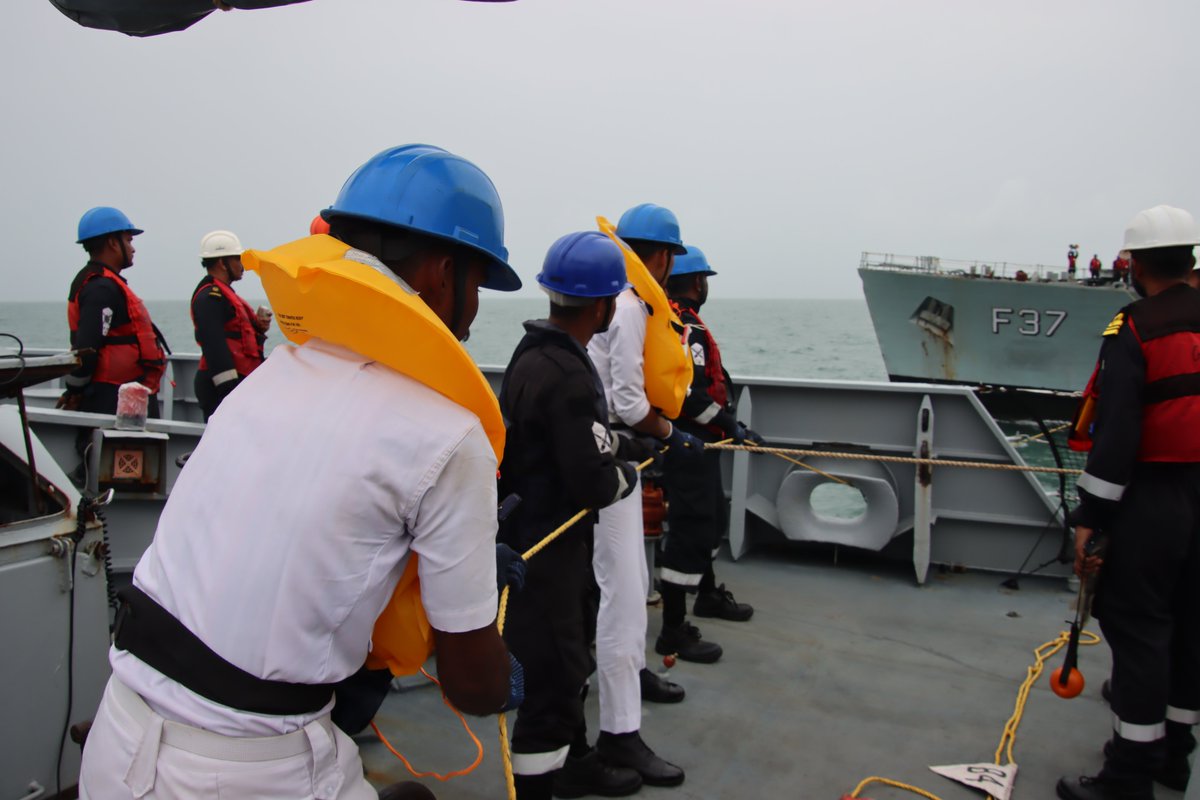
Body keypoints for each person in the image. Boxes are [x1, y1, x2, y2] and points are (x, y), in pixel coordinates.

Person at [79, 145, 524, 799]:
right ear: (444, 272)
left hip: (116, 735)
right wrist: (497, 647)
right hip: (251, 772)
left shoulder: (273, 375)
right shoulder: (451, 438)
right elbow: (473, 686)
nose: (475, 307)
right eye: (479, 283)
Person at [499, 231, 664, 800]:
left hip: (526, 538)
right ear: (600, 306)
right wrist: (629, 471)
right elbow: (593, 483)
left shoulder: (530, 355)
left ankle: (575, 760)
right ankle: (542, 783)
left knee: (563, 661)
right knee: (553, 675)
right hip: (552, 553)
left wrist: (621, 444)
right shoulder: (570, 373)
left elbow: (564, 440)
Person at [1058, 204, 1200, 800]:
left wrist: (1091, 519)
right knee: (1190, 626)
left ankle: (1128, 776)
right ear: (1190, 258)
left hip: (1154, 500)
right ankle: (1174, 758)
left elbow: (1116, 434)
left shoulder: (1133, 328)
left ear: (1134, 265)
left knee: (1140, 631)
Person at [584, 203, 699, 790]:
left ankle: (626, 691)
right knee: (624, 596)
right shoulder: (630, 307)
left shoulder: (615, 301)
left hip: (607, 455)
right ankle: (620, 732)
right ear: (660, 257)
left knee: (623, 587)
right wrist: (671, 433)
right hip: (613, 460)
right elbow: (628, 402)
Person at [658, 245, 761, 665]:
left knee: (712, 519)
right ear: (699, 282)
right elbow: (688, 396)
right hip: (690, 446)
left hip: (700, 443)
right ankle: (672, 630)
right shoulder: (687, 328)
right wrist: (729, 425)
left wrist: (728, 425)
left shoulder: (677, 322)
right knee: (691, 530)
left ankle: (706, 594)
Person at [61, 206, 168, 416]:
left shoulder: (106, 283)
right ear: (112, 242)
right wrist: (75, 391)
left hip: (126, 393)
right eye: (128, 241)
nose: (132, 249)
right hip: (111, 397)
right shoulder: (100, 288)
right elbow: (87, 348)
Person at [190, 230, 271, 420]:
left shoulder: (224, 294)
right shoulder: (210, 298)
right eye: (237, 259)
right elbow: (214, 345)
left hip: (238, 383)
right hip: (221, 388)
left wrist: (258, 328)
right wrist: (229, 390)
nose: (242, 265)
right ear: (222, 263)